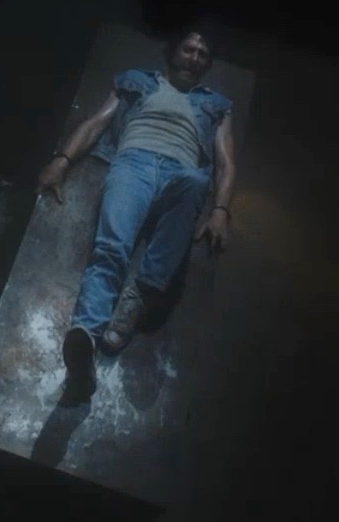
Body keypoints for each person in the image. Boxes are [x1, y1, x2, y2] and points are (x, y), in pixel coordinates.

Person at [37, 29, 237, 390]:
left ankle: (138, 298)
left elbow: (226, 162)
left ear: (207, 65)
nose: (194, 57)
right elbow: (96, 123)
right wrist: (62, 160)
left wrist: (221, 209)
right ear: (172, 52)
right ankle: (85, 334)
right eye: (188, 49)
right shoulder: (136, 81)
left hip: (184, 173)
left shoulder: (216, 104)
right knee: (111, 246)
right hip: (134, 163)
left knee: (196, 183)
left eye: (202, 54)